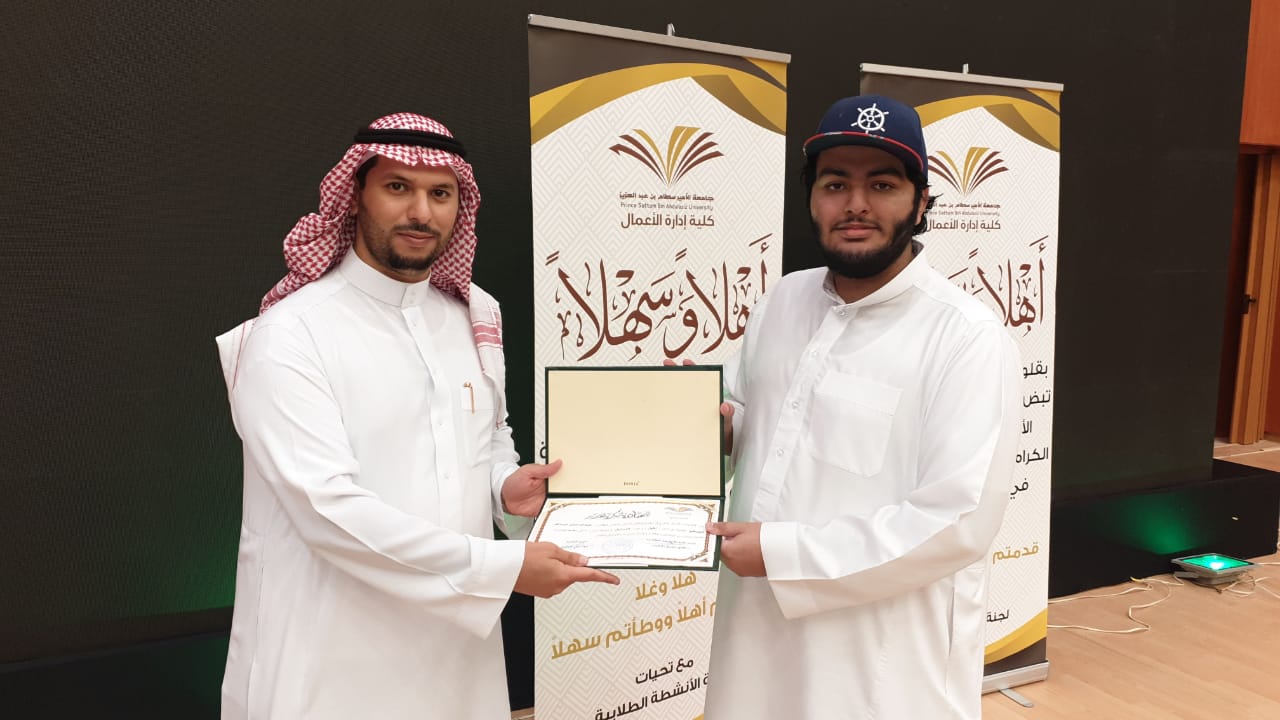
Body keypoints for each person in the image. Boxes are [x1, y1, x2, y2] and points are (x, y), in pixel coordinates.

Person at [214, 113, 618, 720]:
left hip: (457, 655)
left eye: (440, 193)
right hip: (335, 655)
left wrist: (505, 490)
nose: (421, 213)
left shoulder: (473, 316)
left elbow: (488, 440)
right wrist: (502, 567)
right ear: (356, 194)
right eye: (398, 187)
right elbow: (327, 511)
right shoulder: (291, 333)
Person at [703, 95, 1021, 719]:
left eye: (881, 184)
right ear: (812, 198)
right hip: (757, 633)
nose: (855, 204)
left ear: (921, 203)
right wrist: (711, 429)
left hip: (880, 664)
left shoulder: (965, 337)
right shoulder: (784, 301)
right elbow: (752, 415)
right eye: (835, 184)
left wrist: (785, 554)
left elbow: (958, 521)